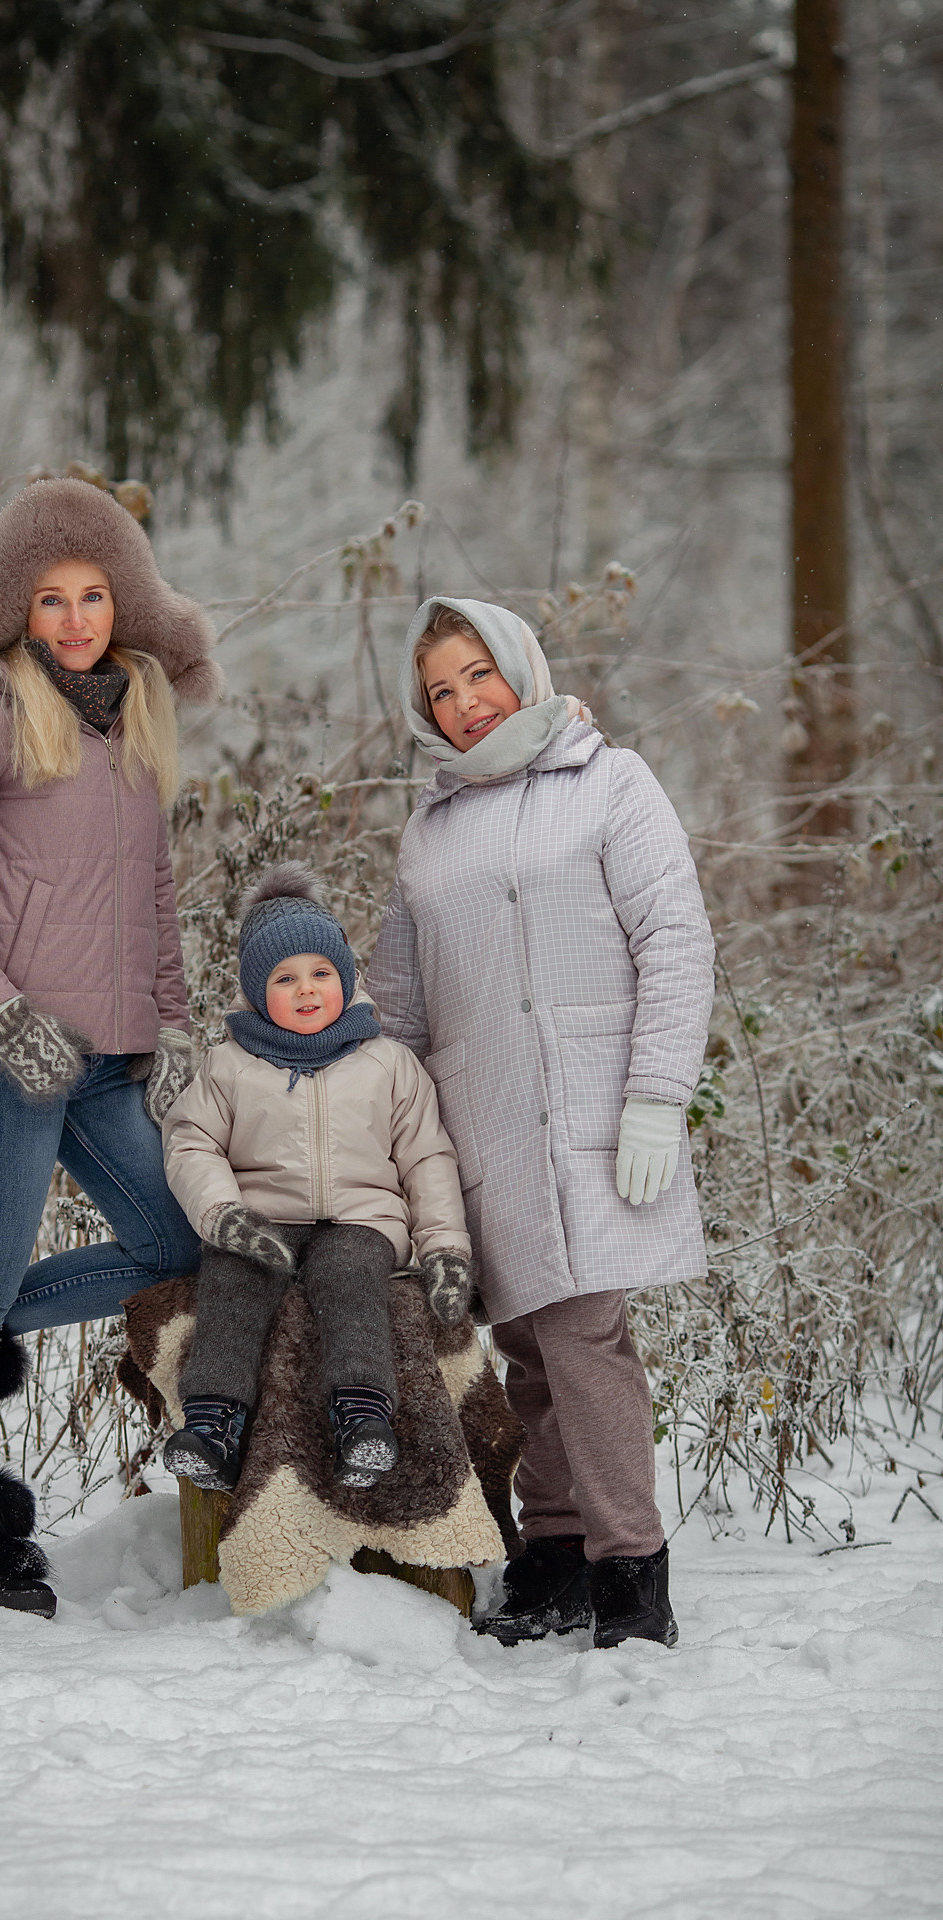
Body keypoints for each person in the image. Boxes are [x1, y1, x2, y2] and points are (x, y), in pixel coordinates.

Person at [0, 477, 220, 1617]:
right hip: (0, 1055)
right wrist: (1, 1014)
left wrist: (169, 1022)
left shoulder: (132, 715)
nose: (74, 619)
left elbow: (152, 892)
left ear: (124, 603)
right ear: (18, 605)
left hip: (107, 1058)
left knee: (176, 1244)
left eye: (94, 595)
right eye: (51, 598)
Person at [366, 597, 714, 1649]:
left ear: (521, 668)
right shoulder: (428, 831)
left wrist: (657, 1094)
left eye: (479, 674)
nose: (465, 703)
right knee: (525, 1339)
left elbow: (673, 937)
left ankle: (629, 1567)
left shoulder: (611, 782)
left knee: (582, 1335)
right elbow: (398, 1006)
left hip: (597, 1107)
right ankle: (555, 1551)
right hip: (481, 1122)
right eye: (441, 690)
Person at [159, 864, 475, 1492]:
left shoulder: (389, 1063)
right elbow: (191, 1142)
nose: (306, 990)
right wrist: (223, 1213)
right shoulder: (228, 1066)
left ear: (346, 978)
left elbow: (427, 1159)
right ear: (257, 993)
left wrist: (444, 1246)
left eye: (321, 973)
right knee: (233, 1277)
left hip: (361, 1222)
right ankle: (213, 1426)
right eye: (285, 978)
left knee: (350, 1274)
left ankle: (363, 1419)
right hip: (262, 1222)